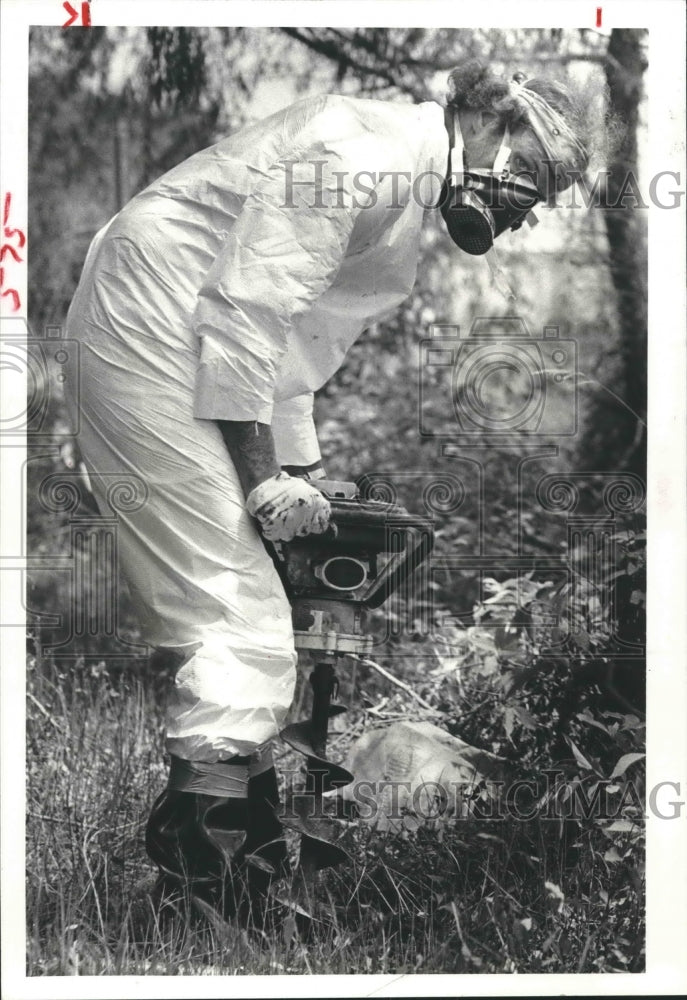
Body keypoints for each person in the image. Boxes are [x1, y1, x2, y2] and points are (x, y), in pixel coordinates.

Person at [64, 60, 591, 921]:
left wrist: (301, 476)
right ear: (488, 122)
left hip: (186, 332)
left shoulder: (398, 205)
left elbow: (293, 355)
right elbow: (245, 314)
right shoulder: (356, 152)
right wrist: (263, 478)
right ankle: (208, 891)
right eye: (531, 178)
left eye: (544, 201)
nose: (526, 209)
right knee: (238, 616)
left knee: (264, 616)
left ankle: (237, 864)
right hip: (153, 322)